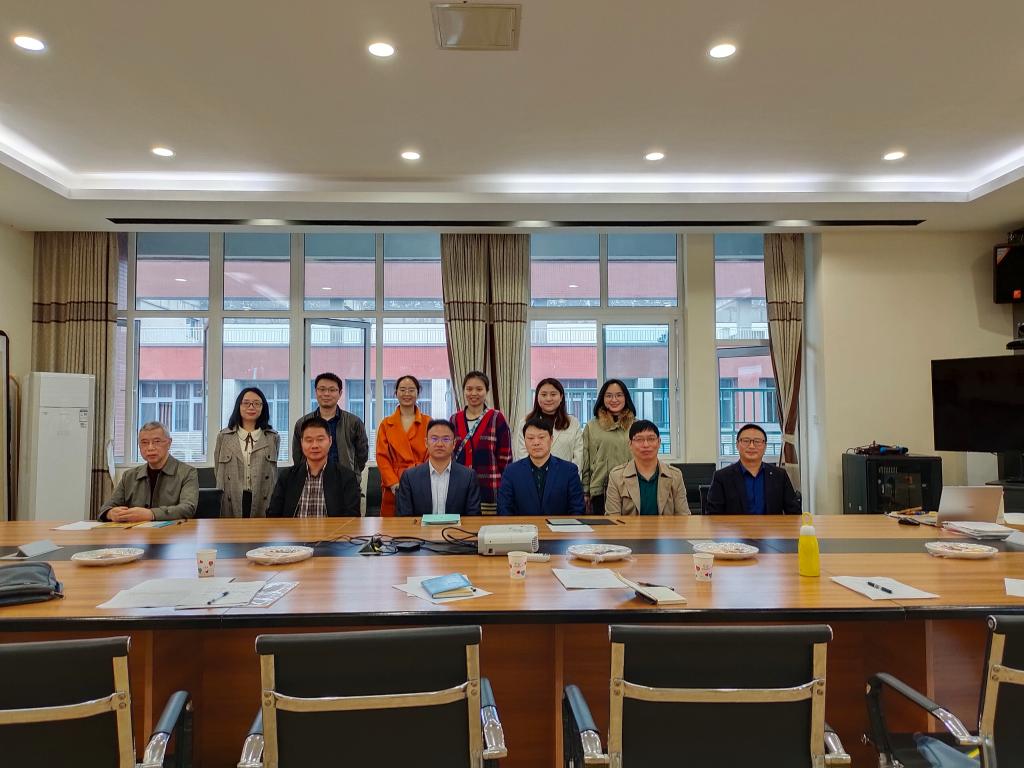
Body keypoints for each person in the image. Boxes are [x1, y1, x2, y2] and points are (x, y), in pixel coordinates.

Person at [99, 422, 198, 521]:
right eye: (144, 442)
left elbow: (188, 509)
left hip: (172, 530)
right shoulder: (129, 476)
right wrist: (110, 513)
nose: (150, 448)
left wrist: (151, 514)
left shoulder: (187, 473)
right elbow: (106, 507)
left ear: (169, 443)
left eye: (157, 441)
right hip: (135, 530)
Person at [268, 417, 360, 517]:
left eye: (320, 440)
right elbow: (273, 515)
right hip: (295, 528)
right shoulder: (287, 476)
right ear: (301, 442)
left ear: (330, 441)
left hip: (333, 528)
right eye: (309, 440)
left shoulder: (346, 477)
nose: (314, 445)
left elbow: (352, 517)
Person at [451, 370, 513, 516]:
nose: (474, 393)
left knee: (488, 528)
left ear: (486, 391)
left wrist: (506, 489)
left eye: (479, 389)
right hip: (460, 488)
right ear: (463, 391)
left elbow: (505, 458)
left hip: (490, 489)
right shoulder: (454, 419)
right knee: (460, 527)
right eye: (469, 389)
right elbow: (450, 455)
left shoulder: (497, 418)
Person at [213, 387, 280, 518]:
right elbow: (218, 469)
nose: (251, 407)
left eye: (256, 403)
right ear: (239, 406)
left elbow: (272, 471)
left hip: (262, 497)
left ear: (263, 407)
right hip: (231, 498)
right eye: (246, 403)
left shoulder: (273, 437)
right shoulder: (224, 436)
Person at [498, 417, 585, 517]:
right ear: (524, 441)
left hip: (560, 527)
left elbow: (577, 509)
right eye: (530, 438)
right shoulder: (511, 472)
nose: (536, 443)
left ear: (551, 439)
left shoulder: (569, 471)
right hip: (522, 526)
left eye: (541, 437)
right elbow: (504, 509)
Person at [706, 423, 801, 515]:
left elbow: (794, 512)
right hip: (735, 526)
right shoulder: (722, 477)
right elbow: (713, 516)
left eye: (757, 441)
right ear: (737, 445)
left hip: (771, 526)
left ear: (765, 446)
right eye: (746, 441)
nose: (751, 446)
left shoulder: (780, 475)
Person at [292, 372, 368, 484]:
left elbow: (362, 455)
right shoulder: (302, 423)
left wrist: (353, 473)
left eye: (332, 390)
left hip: (345, 483)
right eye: (322, 389)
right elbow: (297, 456)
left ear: (340, 393)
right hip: (311, 482)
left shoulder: (354, 422)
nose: (326, 394)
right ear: (316, 392)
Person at [395, 419, 481, 517]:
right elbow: (404, 518)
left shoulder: (468, 477)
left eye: (446, 439)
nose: (439, 444)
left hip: (457, 527)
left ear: (454, 444)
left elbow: (473, 518)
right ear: (426, 442)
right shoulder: (410, 477)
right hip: (420, 528)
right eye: (434, 439)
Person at [605, 420, 690, 516]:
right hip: (629, 527)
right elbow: (613, 518)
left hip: (665, 526)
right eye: (639, 439)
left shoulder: (675, 475)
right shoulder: (616, 476)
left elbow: (683, 517)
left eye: (651, 439)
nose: (646, 445)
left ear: (659, 442)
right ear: (630, 444)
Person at [375, 374, 429, 517]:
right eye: (403, 390)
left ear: (418, 393)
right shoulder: (386, 424)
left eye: (411, 390)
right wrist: (393, 483)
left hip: (421, 480)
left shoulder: (428, 422)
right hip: (394, 483)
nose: (407, 394)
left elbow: (432, 454)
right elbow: (382, 457)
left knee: (421, 522)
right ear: (396, 393)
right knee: (392, 525)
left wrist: (423, 478)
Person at [581, 379, 635, 516]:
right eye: (609, 395)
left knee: (632, 527)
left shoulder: (636, 425)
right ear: (602, 399)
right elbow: (585, 461)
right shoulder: (592, 426)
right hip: (600, 489)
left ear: (626, 398)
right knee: (604, 528)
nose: (614, 399)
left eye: (619, 395)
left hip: (632, 488)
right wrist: (585, 491)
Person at [513, 377, 584, 470]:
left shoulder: (573, 423)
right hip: (534, 476)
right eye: (544, 394)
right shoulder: (525, 422)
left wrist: (569, 476)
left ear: (561, 397)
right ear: (537, 397)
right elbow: (522, 455)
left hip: (565, 476)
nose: (548, 398)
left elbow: (578, 457)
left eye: (553, 394)